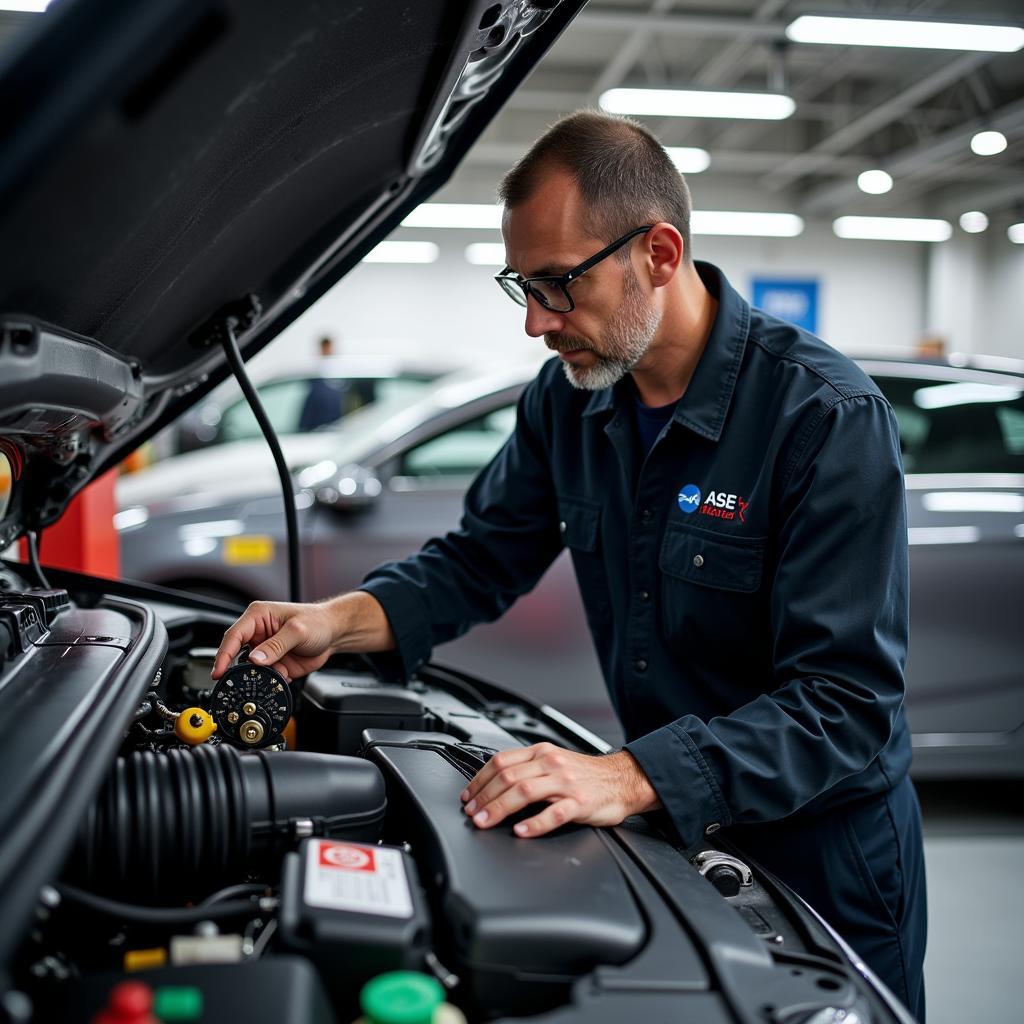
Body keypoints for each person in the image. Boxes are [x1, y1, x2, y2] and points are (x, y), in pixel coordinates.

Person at [212, 112, 926, 1020]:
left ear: (660, 254)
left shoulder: (822, 418)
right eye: (522, 285)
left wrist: (625, 777)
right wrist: (333, 619)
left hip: (824, 861)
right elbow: (477, 561)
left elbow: (846, 705)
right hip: (670, 834)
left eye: (558, 285)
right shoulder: (569, 400)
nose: (536, 324)